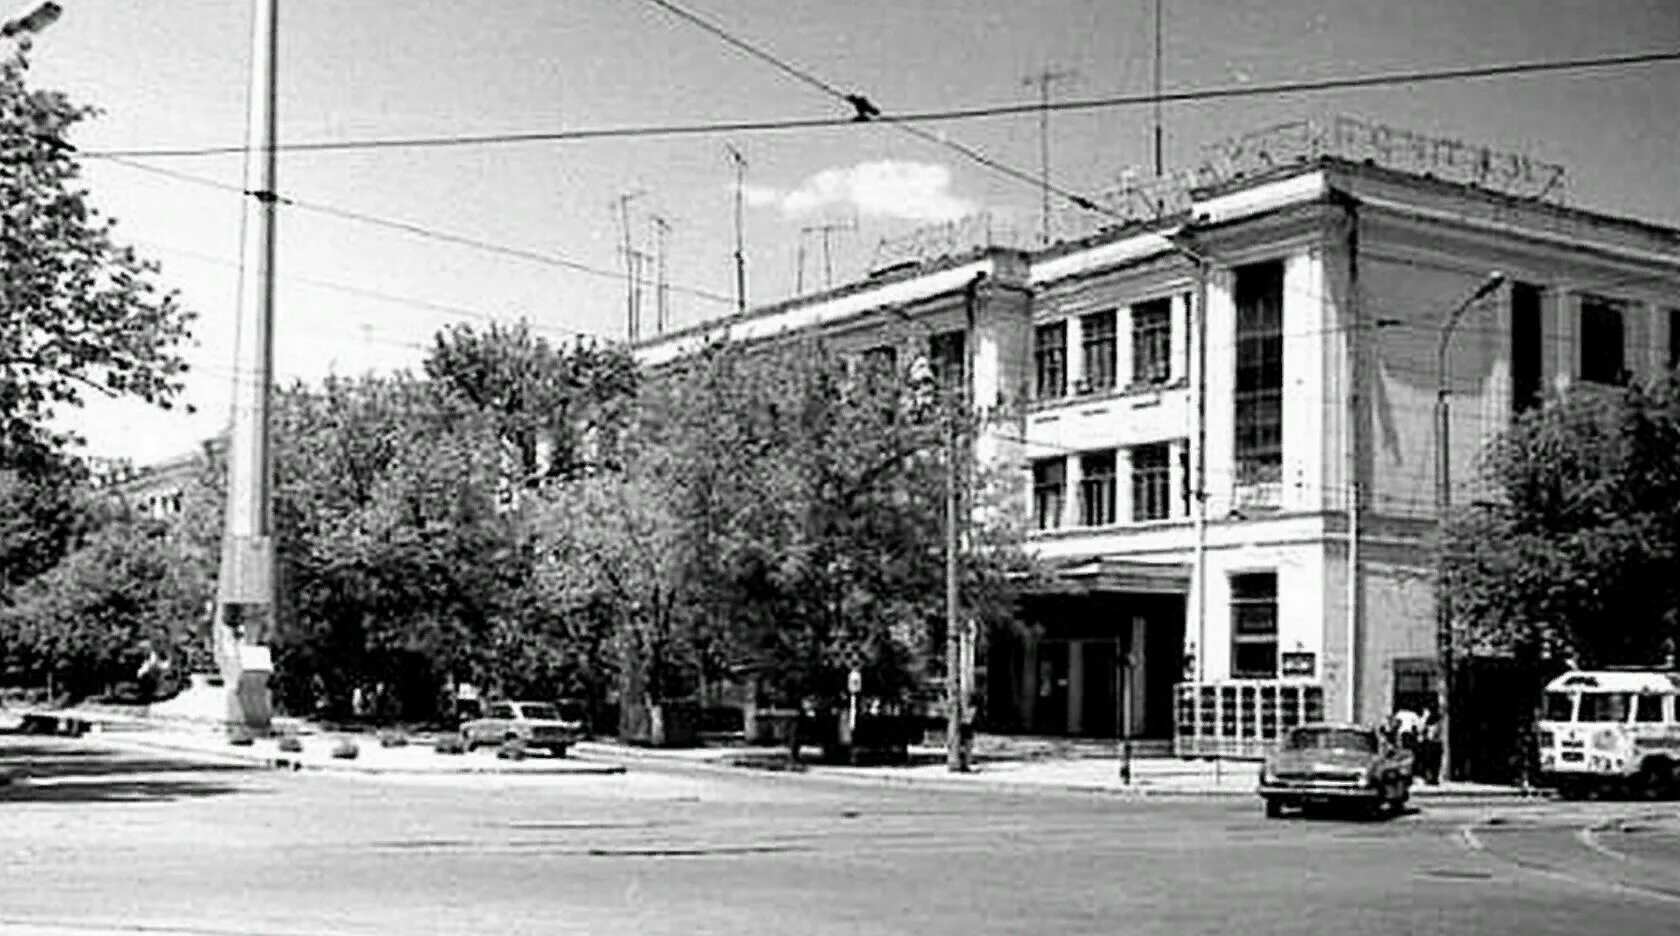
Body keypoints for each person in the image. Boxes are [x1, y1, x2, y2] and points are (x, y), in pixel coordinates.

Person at [1420, 708, 1443, 784]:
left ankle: (1432, 778)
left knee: (1432, 763)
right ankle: (1432, 778)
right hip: (1433, 744)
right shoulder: (1434, 725)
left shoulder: (1433, 726)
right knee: (1432, 763)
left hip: (1433, 744)